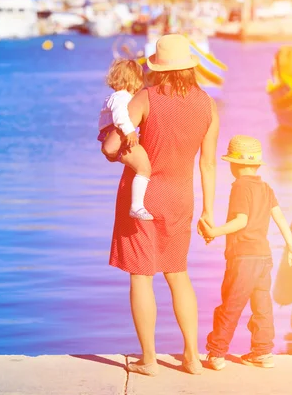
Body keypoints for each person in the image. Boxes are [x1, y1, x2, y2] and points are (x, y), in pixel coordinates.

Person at [109, 34, 219, 376]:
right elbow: (209, 164)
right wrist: (208, 212)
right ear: (189, 67)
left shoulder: (146, 97)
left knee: (142, 277)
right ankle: (192, 357)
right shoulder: (208, 105)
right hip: (181, 197)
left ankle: (150, 359)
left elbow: (113, 146)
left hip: (142, 197)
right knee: (178, 274)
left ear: (158, 68)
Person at [198, 135, 292, 371]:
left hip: (243, 258)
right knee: (262, 306)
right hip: (264, 258)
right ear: (256, 165)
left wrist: (215, 231)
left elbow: (240, 221)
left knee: (231, 305)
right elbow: (280, 218)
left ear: (234, 165)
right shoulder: (266, 188)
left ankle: (216, 354)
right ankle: (262, 352)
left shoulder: (239, 187)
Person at [98, 59, 153, 220]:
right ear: (134, 80)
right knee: (144, 168)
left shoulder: (114, 97)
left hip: (111, 138)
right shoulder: (122, 97)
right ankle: (137, 206)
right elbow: (120, 117)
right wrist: (130, 132)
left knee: (140, 167)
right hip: (119, 138)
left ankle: (136, 204)